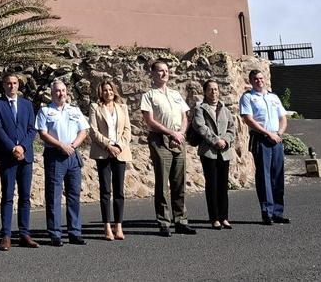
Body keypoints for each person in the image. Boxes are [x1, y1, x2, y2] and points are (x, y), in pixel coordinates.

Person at [140, 59, 195, 237]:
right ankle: (164, 222)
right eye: (160, 70)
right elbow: (149, 120)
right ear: (153, 73)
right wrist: (171, 133)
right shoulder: (149, 95)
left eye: (167, 70)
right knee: (163, 183)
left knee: (179, 183)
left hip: (178, 139)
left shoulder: (175, 94)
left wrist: (181, 133)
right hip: (160, 140)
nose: (165, 73)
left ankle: (181, 220)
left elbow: (185, 116)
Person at [35, 79, 89, 246]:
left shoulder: (74, 110)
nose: (61, 94)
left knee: (74, 195)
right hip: (55, 155)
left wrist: (72, 146)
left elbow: (83, 130)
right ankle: (55, 233)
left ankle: (75, 232)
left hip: (72, 155)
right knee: (53, 196)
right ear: (52, 93)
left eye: (63, 90)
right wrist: (61, 145)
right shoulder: (45, 111)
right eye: (57, 91)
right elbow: (43, 133)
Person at [0, 72, 39, 250]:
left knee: (25, 197)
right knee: (7, 196)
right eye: (8, 83)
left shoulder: (27, 104)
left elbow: (32, 129)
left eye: (15, 83)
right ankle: (6, 235)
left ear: (19, 85)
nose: (12, 86)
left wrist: (22, 147)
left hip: (25, 156)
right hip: (7, 156)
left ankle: (24, 233)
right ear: (4, 85)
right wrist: (13, 148)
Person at [240, 70, 290, 226]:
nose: (259, 81)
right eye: (255, 79)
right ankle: (267, 213)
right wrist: (268, 133)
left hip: (276, 139)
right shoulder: (248, 97)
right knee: (264, 176)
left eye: (261, 78)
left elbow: (283, 118)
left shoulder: (273, 97)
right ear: (250, 81)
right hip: (261, 138)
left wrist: (279, 133)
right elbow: (248, 119)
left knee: (278, 175)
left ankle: (278, 212)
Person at [87, 79, 131, 241]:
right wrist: (108, 146)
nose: (108, 93)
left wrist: (119, 146)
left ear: (114, 91)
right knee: (105, 190)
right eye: (105, 90)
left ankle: (118, 226)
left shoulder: (122, 107)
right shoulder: (95, 107)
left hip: (120, 152)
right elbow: (93, 131)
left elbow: (127, 130)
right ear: (101, 92)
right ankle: (106, 226)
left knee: (119, 191)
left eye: (110, 90)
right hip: (103, 152)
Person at [191, 79, 237, 230]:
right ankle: (215, 218)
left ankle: (224, 217)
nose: (214, 92)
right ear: (205, 92)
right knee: (212, 185)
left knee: (223, 185)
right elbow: (200, 127)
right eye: (210, 89)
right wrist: (215, 141)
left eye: (216, 89)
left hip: (224, 152)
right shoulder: (200, 109)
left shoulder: (225, 109)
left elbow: (231, 128)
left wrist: (225, 141)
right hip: (209, 152)